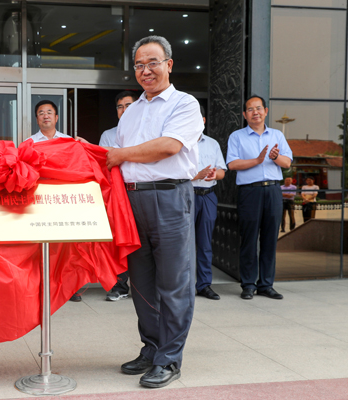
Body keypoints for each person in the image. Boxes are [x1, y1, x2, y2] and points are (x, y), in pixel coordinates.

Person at [105, 36, 203, 389]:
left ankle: (169, 358)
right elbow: (116, 158)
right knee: (141, 282)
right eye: (139, 65)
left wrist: (121, 154)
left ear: (169, 64)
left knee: (174, 283)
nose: (146, 71)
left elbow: (169, 146)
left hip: (170, 198)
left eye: (153, 63)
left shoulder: (184, 103)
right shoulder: (131, 111)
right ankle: (151, 348)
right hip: (132, 201)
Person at [226, 95, 292, 301]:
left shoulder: (277, 135)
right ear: (244, 114)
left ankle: (266, 285)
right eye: (250, 109)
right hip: (250, 191)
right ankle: (248, 284)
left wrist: (274, 157)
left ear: (266, 111)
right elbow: (232, 164)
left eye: (258, 108)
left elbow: (287, 163)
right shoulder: (237, 136)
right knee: (249, 239)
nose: (255, 112)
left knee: (270, 239)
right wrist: (257, 160)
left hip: (273, 190)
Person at [26, 100, 83, 302]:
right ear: (37, 119)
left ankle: (70, 287)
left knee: (68, 245)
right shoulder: (29, 143)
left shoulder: (68, 141)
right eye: (41, 113)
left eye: (49, 112)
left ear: (56, 117)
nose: (46, 116)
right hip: (40, 200)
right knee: (42, 245)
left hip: (64, 199)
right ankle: (44, 285)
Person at [99, 90, 138, 302]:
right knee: (119, 239)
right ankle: (120, 286)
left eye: (128, 106)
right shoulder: (108, 134)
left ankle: (141, 287)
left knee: (142, 239)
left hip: (141, 190)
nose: (124, 110)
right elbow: (104, 161)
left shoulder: (146, 132)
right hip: (117, 194)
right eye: (120, 107)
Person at [192, 106, 226, 300]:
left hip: (208, 196)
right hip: (186, 195)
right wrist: (196, 175)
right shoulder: (179, 144)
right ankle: (183, 285)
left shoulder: (212, 144)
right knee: (183, 243)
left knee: (205, 243)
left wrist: (215, 174)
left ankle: (204, 285)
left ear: (204, 120)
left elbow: (222, 171)